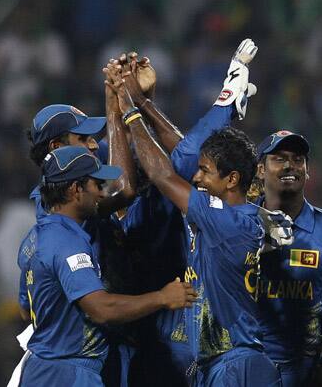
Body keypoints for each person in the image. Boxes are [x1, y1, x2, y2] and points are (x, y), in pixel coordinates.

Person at [105, 54, 286, 386]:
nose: (197, 178)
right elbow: (183, 161)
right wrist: (144, 103)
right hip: (219, 361)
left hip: (236, 364)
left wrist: (129, 110)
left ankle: (227, 99)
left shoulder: (224, 221)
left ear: (231, 180)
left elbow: (163, 174)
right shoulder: (230, 213)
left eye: (205, 172)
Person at [19, 146, 197, 386]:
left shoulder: (36, 237)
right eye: (96, 185)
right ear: (75, 190)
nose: (102, 194)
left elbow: (24, 308)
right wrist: (162, 298)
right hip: (67, 373)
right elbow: (100, 309)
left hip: (44, 367)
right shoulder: (66, 243)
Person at [252, 130, 322, 386]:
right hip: (241, 368)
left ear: (307, 170)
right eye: (279, 158)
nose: (290, 165)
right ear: (260, 170)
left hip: (301, 373)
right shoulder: (236, 222)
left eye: (298, 159)